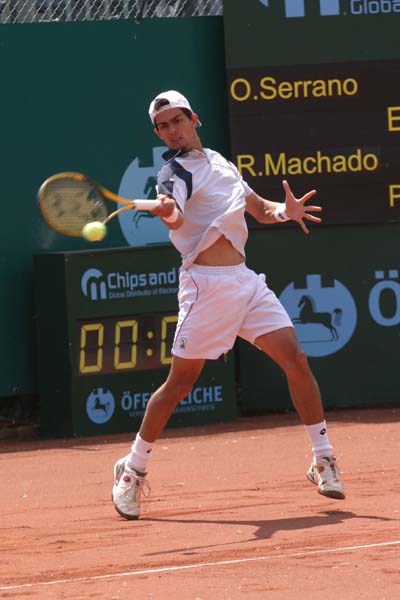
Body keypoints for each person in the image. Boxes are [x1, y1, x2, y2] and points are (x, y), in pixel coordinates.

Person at [112, 90, 345, 520]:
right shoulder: (172, 173)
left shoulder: (222, 164)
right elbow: (178, 216)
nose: (171, 130)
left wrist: (286, 211)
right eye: (163, 126)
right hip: (204, 287)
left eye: (177, 120)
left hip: (244, 282)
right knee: (180, 385)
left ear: (194, 119)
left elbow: (259, 209)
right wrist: (169, 213)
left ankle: (323, 458)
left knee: (295, 357)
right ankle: (133, 469)